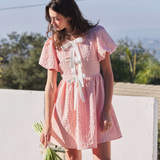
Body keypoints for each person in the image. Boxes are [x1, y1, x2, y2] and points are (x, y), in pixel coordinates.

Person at [39, 0, 122, 159]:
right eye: (51, 18)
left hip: (96, 103)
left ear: (69, 15)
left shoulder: (96, 34)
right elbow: (50, 85)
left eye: (57, 18)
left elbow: (108, 74)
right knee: (72, 158)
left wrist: (106, 110)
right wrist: (47, 123)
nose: (53, 23)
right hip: (67, 106)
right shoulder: (53, 42)